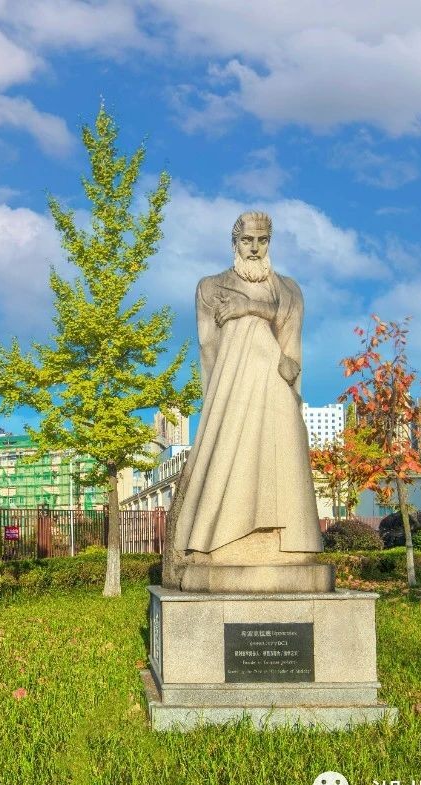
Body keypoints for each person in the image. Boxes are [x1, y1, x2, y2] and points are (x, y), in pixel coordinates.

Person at [172, 211, 323, 575]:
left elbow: (291, 336)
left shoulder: (288, 289)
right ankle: (220, 537)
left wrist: (250, 308)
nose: (254, 248)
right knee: (233, 454)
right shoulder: (212, 286)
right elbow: (209, 349)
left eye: (262, 240)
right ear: (235, 242)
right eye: (247, 240)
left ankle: (287, 542)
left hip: (275, 382)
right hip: (235, 388)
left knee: (282, 454)